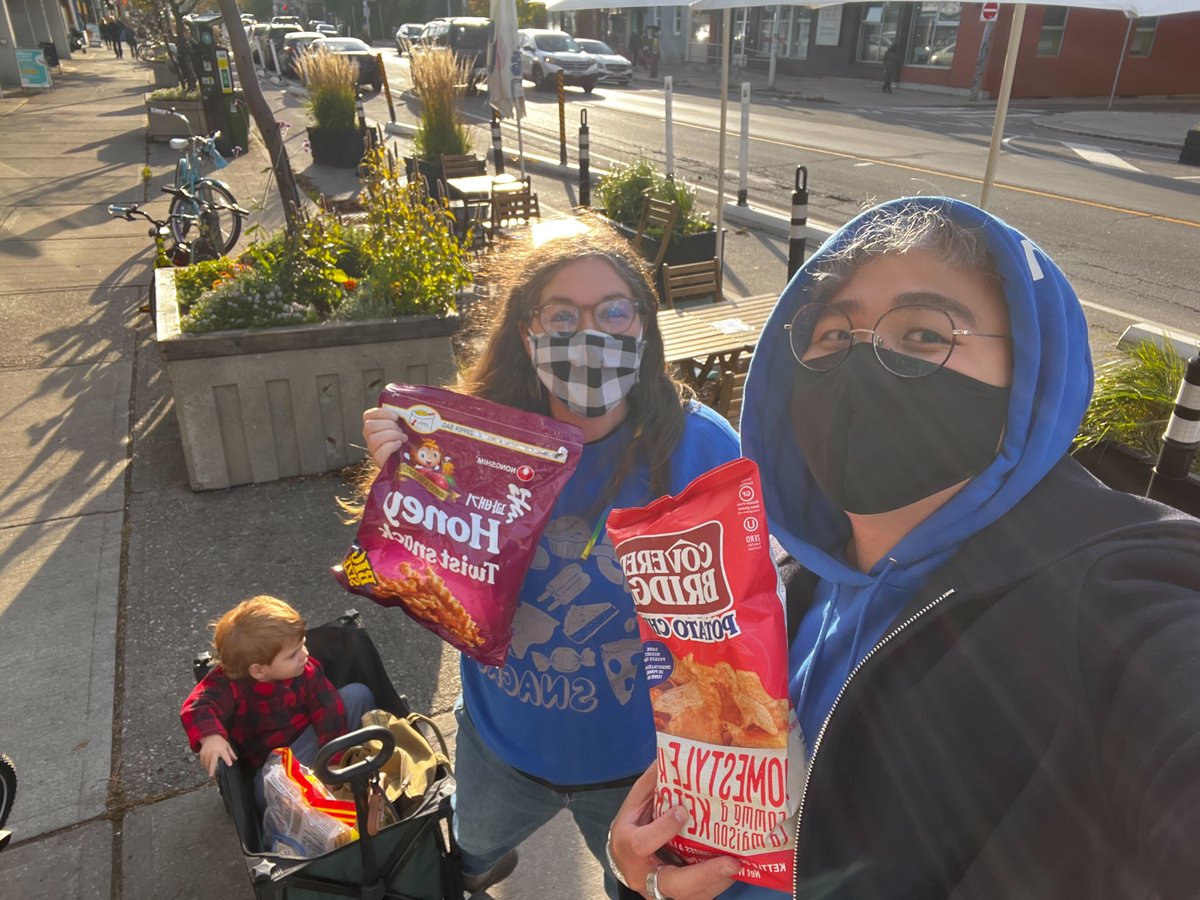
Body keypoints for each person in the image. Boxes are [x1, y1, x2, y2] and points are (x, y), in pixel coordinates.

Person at [608, 196, 1200, 899]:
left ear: (1031, 376)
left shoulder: (1112, 600)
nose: (864, 367)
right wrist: (641, 873)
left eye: (923, 334)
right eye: (833, 336)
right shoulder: (787, 585)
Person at [360, 224, 740, 897]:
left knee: (633, 886)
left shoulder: (703, 448)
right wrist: (396, 486)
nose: (589, 333)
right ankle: (479, 867)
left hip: (639, 770)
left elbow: (739, 626)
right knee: (471, 853)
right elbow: (400, 578)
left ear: (646, 326)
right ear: (526, 331)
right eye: (562, 314)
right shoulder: (476, 437)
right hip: (500, 749)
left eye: (614, 311)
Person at [180, 595, 374, 808]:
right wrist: (211, 736)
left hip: (314, 741)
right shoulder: (230, 682)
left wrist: (335, 763)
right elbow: (199, 703)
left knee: (358, 695)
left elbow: (329, 713)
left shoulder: (306, 670)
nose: (305, 655)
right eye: (292, 655)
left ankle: (332, 776)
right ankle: (306, 794)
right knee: (265, 792)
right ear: (258, 671)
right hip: (273, 765)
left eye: (303, 644)